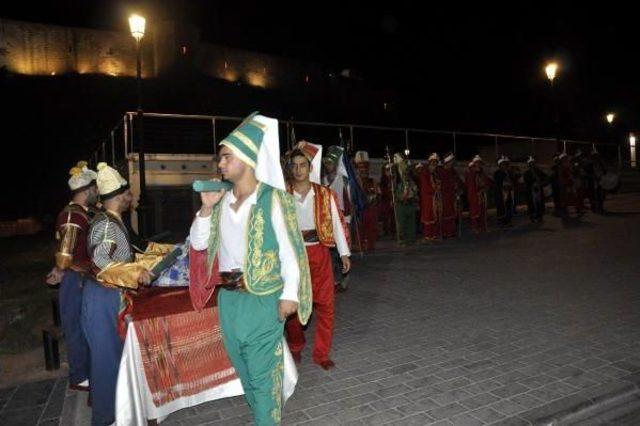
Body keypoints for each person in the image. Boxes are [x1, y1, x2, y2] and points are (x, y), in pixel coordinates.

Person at [189, 113, 311, 425]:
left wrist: (290, 296)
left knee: (263, 377)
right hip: (229, 301)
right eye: (220, 159)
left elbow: (291, 251)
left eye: (226, 157)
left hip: (263, 299)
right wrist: (205, 207)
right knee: (244, 373)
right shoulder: (220, 200)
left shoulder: (274, 199)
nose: (220, 164)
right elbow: (199, 244)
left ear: (246, 158)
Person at [85, 162, 153, 426]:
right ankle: (108, 418)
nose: (129, 199)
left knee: (112, 357)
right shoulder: (105, 224)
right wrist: (134, 275)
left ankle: (117, 413)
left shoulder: (110, 220)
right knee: (107, 360)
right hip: (103, 297)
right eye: (127, 194)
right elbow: (102, 260)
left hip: (108, 295)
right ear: (118, 196)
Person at [285, 142, 350, 370]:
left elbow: (336, 222)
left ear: (310, 167)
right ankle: (295, 345)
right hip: (294, 257)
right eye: (294, 165)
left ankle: (321, 353)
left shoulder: (324, 194)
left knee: (326, 305)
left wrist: (343, 253)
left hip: (320, 253)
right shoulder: (283, 195)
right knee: (293, 307)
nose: (298, 170)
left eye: (303, 165)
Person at [45, 161, 98, 393]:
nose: (97, 192)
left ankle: (85, 371)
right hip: (75, 279)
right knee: (76, 328)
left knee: (84, 326)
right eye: (95, 188)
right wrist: (60, 270)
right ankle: (79, 376)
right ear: (86, 190)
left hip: (79, 277)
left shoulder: (80, 214)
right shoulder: (73, 216)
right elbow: (66, 253)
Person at [322, 145, 352, 291]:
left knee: (343, 251)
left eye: (330, 163)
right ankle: (334, 280)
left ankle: (344, 280)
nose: (327, 166)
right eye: (326, 163)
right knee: (331, 252)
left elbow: (349, 198)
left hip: (342, 218)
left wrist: (348, 217)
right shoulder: (323, 180)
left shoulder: (343, 179)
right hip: (328, 219)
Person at [354, 150, 380, 251]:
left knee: (371, 228)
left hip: (371, 208)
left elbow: (377, 194)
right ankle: (360, 245)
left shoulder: (373, 180)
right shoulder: (355, 181)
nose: (363, 169)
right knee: (360, 229)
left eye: (365, 167)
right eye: (360, 167)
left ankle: (370, 245)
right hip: (359, 209)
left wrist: (374, 198)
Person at [393, 153, 418, 244]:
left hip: (410, 203)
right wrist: (401, 197)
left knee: (411, 222)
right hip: (401, 203)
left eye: (407, 170)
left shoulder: (411, 181)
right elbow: (396, 193)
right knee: (402, 222)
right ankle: (402, 239)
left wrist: (413, 194)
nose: (405, 172)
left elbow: (415, 190)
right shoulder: (397, 181)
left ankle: (411, 239)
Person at [419, 153, 443, 240]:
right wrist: (434, 190)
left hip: (435, 198)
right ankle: (428, 235)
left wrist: (438, 187)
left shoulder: (435, 174)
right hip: (428, 199)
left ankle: (434, 234)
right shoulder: (425, 173)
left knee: (435, 216)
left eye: (436, 164)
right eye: (433, 163)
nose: (434, 165)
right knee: (428, 217)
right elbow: (425, 187)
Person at [440, 152, 464, 238]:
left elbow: (459, 181)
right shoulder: (442, 172)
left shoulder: (453, 171)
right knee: (446, 214)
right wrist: (452, 186)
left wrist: (459, 187)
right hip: (445, 197)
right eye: (450, 162)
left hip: (453, 196)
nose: (451, 164)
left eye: (452, 162)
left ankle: (452, 231)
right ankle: (445, 232)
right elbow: (442, 185)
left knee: (453, 213)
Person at [465, 155, 491, 233]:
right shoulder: (470, 173)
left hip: (481, 195)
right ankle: (475, 227)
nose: (478, 165)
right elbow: (470, 185)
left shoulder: (482, 173)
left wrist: (486, 186)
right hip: (474, 195)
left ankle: (482, 226)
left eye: (480, 163)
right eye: (477, 163)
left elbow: (487, 181)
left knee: (482, 211)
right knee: (475, 212)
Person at [523, 156, 548, 222]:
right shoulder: (527, 173)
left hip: (539, 189)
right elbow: (526, 181)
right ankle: (533, 216)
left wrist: (541, 182)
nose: (532, 165)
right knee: (532, 204)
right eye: (531, 164)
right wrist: (532, 182)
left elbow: (546, 178)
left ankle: (540, 216)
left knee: (539, 203)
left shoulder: (538, 171)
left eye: (533, 163)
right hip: (531, 191)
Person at [494, 156, 514, 226]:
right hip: (501, 193)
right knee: (501, 207)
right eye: (503, 164)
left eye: (505, 164)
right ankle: (501, 221)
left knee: (508, 206)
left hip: (508, 192)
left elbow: (512, 181)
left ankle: (508, 220)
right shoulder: (497, 173)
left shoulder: (508, 173)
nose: (504, 166)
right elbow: (498, 183)